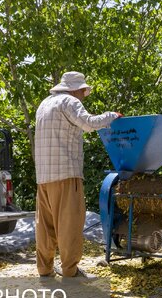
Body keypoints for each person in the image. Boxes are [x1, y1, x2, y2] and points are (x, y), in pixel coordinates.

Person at [34, 71, 121, 278]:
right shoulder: (69, 102)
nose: (84, 95)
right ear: (76, 89)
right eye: (83, 91)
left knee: (45, 226)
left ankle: (44, 269)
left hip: (44, 176)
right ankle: (70, 271)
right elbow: (88, 123)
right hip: (66, 173)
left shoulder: (44, 104)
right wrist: (112, 116)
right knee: (69, 224)